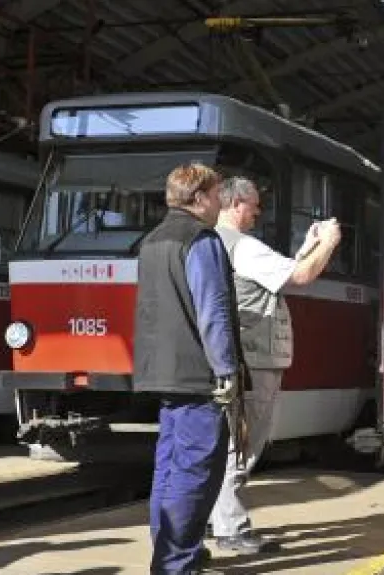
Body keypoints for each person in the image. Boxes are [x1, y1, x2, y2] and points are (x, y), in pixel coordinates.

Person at [207, 175, 341, 554]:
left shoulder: (214, 242)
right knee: (243, 441)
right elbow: (300, 276)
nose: (257, 212)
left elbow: (279, 273)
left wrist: (309, 245)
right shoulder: (244, 247)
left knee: (222, 441)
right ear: (235, 205)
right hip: (253, 357)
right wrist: (328, 245)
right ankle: (230, 527)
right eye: (253, 205)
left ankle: (209, 517)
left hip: (229, 356)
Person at [134, 163, 248, 574]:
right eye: (217, 195)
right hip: (199, 376)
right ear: (199, 198)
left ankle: (170, 551)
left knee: (168, 468)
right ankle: (176, 562)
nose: (221, 202)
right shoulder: (201, 240)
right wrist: (227, 372)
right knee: (197, 473)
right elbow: (212, 311)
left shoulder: (152, 240)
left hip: (162, 372)